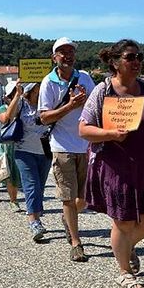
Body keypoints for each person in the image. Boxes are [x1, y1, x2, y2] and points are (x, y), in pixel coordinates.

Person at [79, 39, 144, 288]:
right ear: (115, 62)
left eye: (139, 57)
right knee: (123, 220)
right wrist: (110, 134)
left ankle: (124, 246)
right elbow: (83, 129)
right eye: (130, 57)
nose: (136, 62)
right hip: (116, 166)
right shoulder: (103, 91)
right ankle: (124, 271)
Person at [39, 36, 96, 262]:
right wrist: (70, 105)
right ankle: (76, 242)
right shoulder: (48, 82)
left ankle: (68, 219)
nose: (67, 55)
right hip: (61, 146)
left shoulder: (84, 77)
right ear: (54, 57)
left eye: (70, 51)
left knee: (83, 199)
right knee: (68, 198)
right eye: (62, 52)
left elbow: (96, 103)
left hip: (86, 144)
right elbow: (43, 117)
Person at [2, 81, 52, 241]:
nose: (39, 91)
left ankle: (36, 212)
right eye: (36, 89)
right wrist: (17, 94)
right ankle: (34, 221)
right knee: (32, 186)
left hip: (45, 150)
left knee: (40, 186)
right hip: (24, 151)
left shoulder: (47, 102)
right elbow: (7, 117)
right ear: (29, 90)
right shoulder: (21, 104)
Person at [0, 82, 23, 209]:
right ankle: (13, 199)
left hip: (22, 143)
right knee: (10, 173)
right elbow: (6, 118)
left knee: (20, 173)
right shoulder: (2, 108)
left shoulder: (23, 106)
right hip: (8, 145)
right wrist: (17, 97)